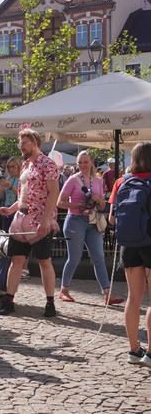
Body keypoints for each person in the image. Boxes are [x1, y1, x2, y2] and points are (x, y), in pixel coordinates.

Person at [0, 128, 60, 317]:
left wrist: (47, 220)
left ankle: (50, 303)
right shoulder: (25, 165)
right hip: (21, 220)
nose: (21, 146)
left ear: (34, 142)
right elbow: (23, 196)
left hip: (40, 220)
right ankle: (9, 300)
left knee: (44, 261)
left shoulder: (47, 164)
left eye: (24, 142)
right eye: (20, 143)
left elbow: (53, 194)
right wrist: (11, 209)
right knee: (16, 260)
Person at [57, 151, 123, 305]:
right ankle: (64, 290)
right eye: (80, 162)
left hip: (93, 221)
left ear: (91, 163)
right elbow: (60, 202)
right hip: (75, 221)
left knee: (99, 258)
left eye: (86, 162)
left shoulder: (98, 181)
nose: (83, 165)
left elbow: (102, 205)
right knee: (74, 258)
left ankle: (107, 293)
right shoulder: (73, 180)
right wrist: (77, 205)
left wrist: (98, 199)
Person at [110, 143, 151, 366]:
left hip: (129, 245)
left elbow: (112, 219)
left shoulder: (121, 182)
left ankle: (134, 350)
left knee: (133, 297)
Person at [0, 157, 21, 231]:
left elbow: (21, 195)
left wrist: (10, 187)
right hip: (6, 209)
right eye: (9, 167)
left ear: (19, 166)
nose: (11, 169)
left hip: (18, 210)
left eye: (13, 166)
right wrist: (1, 190)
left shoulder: (22, 179)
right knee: (6, 232)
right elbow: (2, 197)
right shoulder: (7, 179)